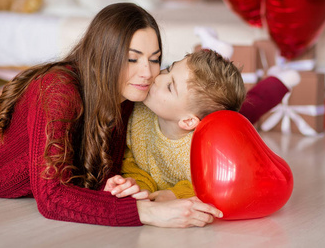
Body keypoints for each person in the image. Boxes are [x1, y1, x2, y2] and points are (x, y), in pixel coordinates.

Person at [0, 3, 222, 228]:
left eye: (155, 60)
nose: (148, 73)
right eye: (132, 59)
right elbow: (52, 197)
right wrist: (147, 213)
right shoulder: (58, 89)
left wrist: (122, 189)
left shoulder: (126, 93)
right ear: (104, 55)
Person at [122, 48, 300, 202]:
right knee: (200, 83)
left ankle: (279, 82)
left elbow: (204, 186)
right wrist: (139, 185)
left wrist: (173, 194)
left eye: (169, 87)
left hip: (220, 128)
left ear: (188, 121)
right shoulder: (140, 108)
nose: (157, 77)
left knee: (249, 109)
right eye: (168, 69)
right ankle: (212, 49)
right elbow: (131, 158)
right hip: (195, 107)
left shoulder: (199, 153)